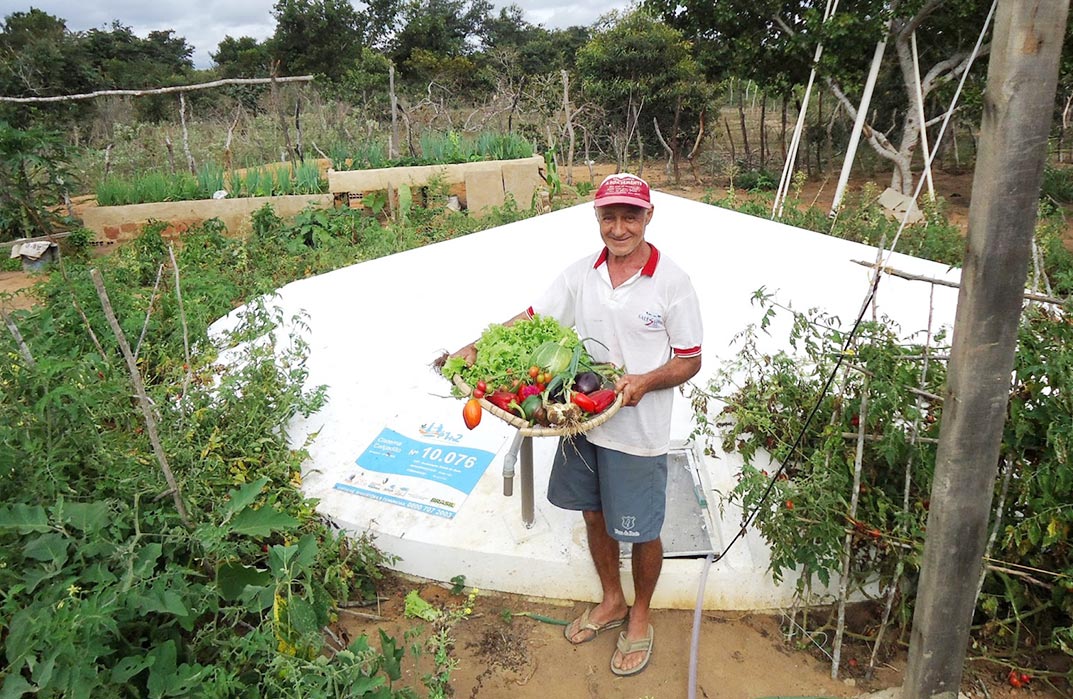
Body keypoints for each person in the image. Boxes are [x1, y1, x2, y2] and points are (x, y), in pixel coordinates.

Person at [452, 173, 703, 677]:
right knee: (592, 516)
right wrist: (477, 345)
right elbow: (533, 316)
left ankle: (640, 615)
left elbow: (690, 360)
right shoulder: (579, 274)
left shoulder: (672, 282)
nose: (618, 227)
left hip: (638, 431)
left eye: (629, 216)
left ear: (648, 216)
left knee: (641, 530)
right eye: (608, 216)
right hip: (581, 423)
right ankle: (611, 599)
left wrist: (646, 380)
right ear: (597, 219)